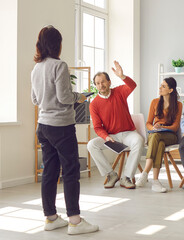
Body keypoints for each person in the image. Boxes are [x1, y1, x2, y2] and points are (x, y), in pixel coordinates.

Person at [31, 25, 98, 235]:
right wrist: (78, 97)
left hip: (43, 126)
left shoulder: (36, 68)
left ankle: (50, 218)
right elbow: (63, 98)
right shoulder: (59, 66)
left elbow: (34, 99)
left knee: (50, 172)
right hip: (61, 126)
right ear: (57, 44)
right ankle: (75, 221)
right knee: (71, 171)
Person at [87, 61, 143, 190]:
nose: (101, 85)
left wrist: (122, 76)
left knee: (139, 140)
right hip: (111, 137)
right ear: (95, 86)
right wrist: (106, 137)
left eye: (103, 82)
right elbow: (97, 127)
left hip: (128, 133)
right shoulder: (94, 104)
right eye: (97, 83)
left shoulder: (119, 92)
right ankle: (111, 174)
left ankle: (126, 177)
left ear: (109, 82)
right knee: (92, 145)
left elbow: (133, 85)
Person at [136, 77, 183, 193]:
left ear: (171, 90)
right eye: (160, 85)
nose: (160, 88)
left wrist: (163, 128)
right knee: (159, 143)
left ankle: (145, 172)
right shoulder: (155, 102)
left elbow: (175, 126)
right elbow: (148, 123)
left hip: (170, 135)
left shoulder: (178, 105)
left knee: (157, 137)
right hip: (155, 134)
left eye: (163, 86)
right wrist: (154, 128)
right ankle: (155, 181)